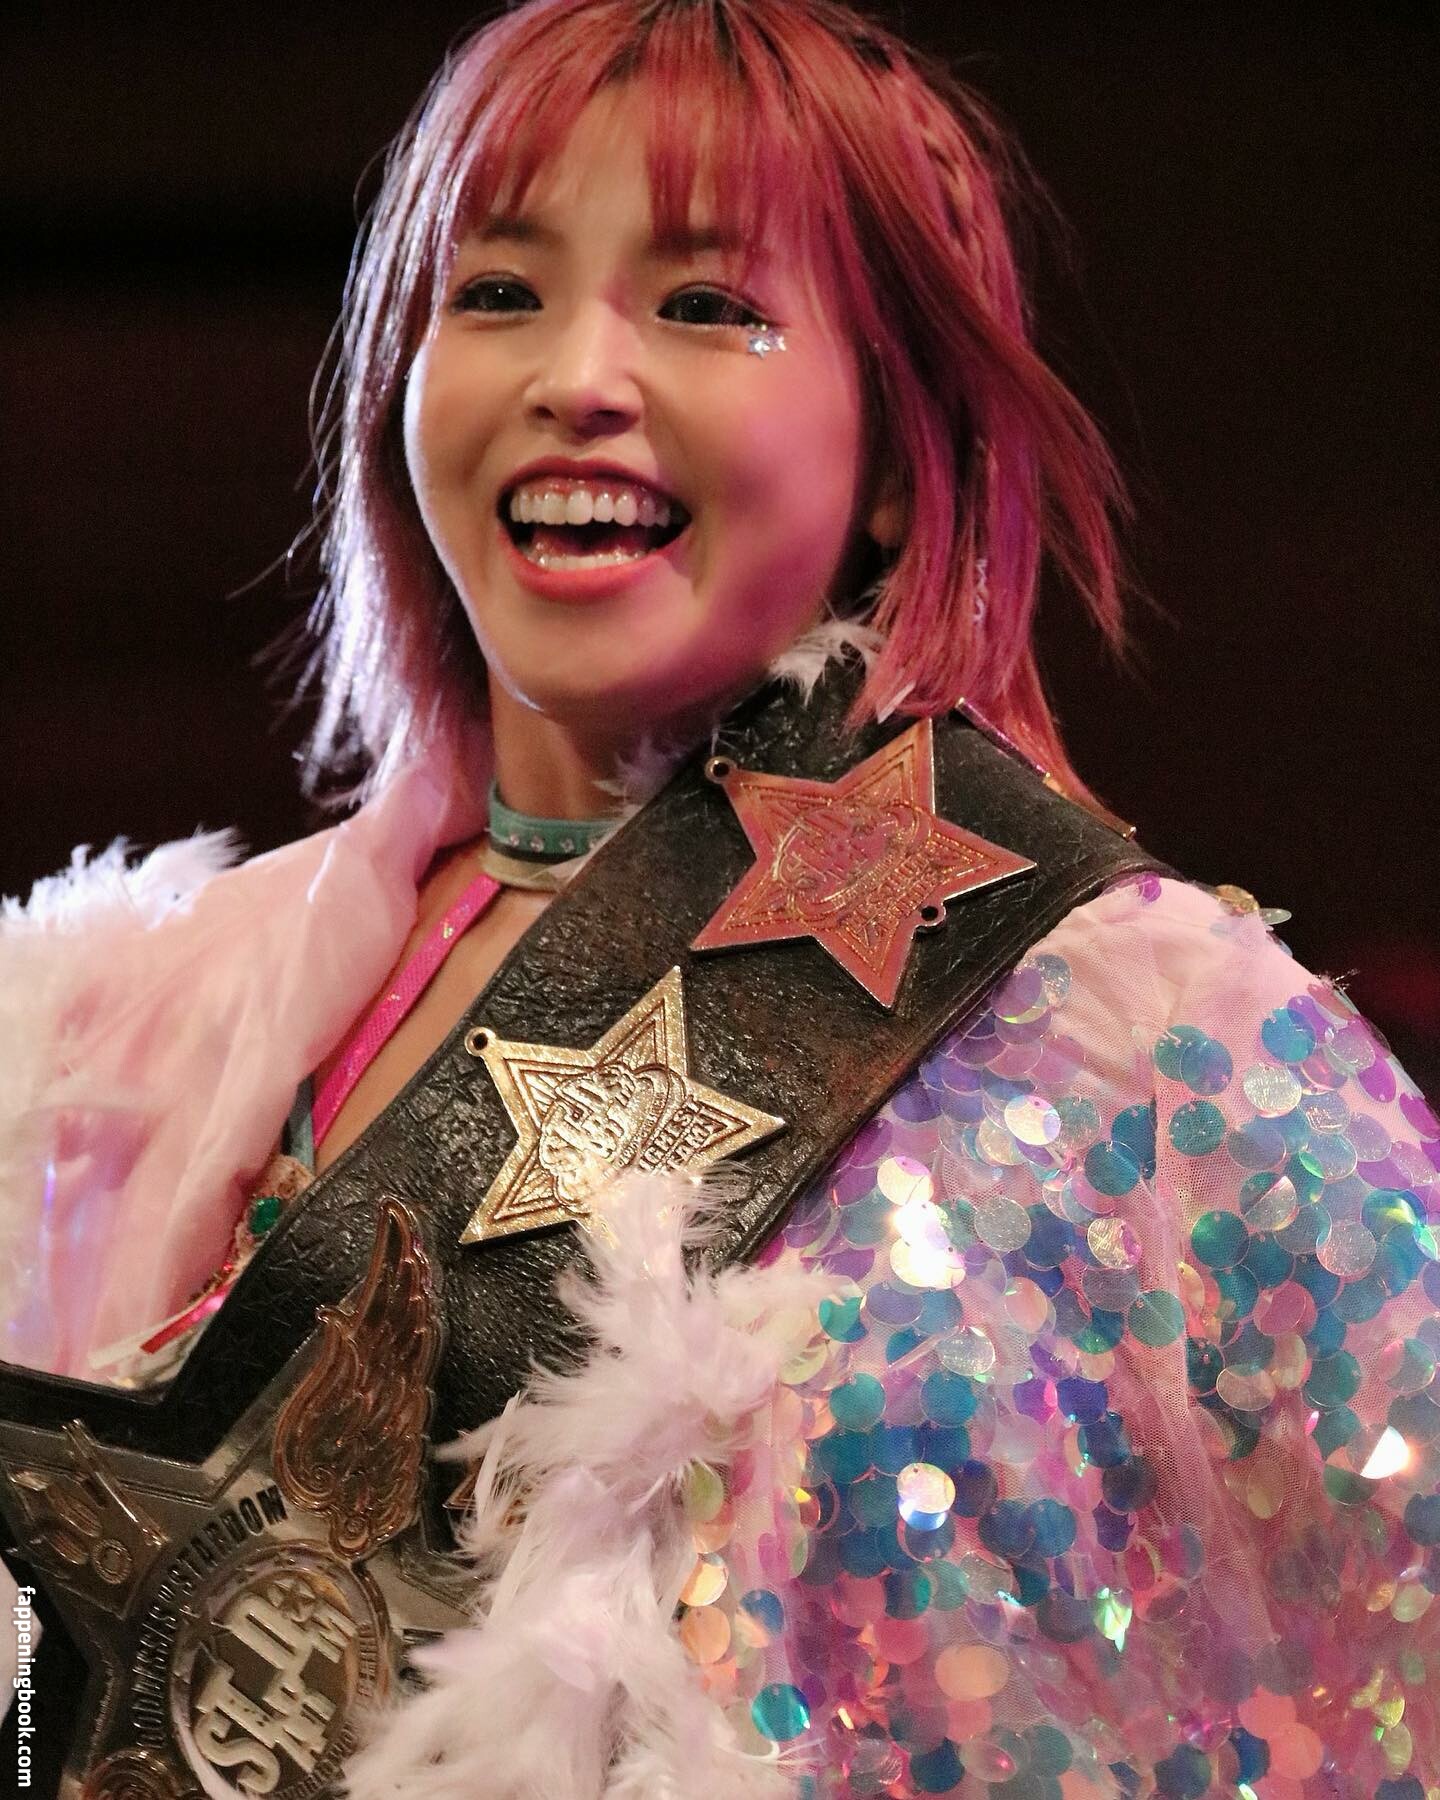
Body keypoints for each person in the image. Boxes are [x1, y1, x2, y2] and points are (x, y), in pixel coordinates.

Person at [2, 1, 1436, 1796]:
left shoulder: (1152, 1041)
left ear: (900, 455)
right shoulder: (105, 1044)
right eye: (498, 291)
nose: (579, 376)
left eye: (705, 305)